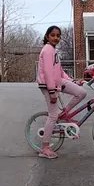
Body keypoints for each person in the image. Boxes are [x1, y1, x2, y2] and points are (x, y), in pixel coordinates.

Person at [37, 25, 87, 159]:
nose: (56, 38)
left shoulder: (53, 51)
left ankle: (64, 114)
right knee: (53, 116)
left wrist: (73, 82)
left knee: (81, 92)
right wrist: (52, 92)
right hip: (48, 86)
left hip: (57, 82)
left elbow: (59, 72)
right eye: (53, 35)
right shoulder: (47, 50)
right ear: (47, 36)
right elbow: (48, 72)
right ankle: (45, 148)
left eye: (58, 36)